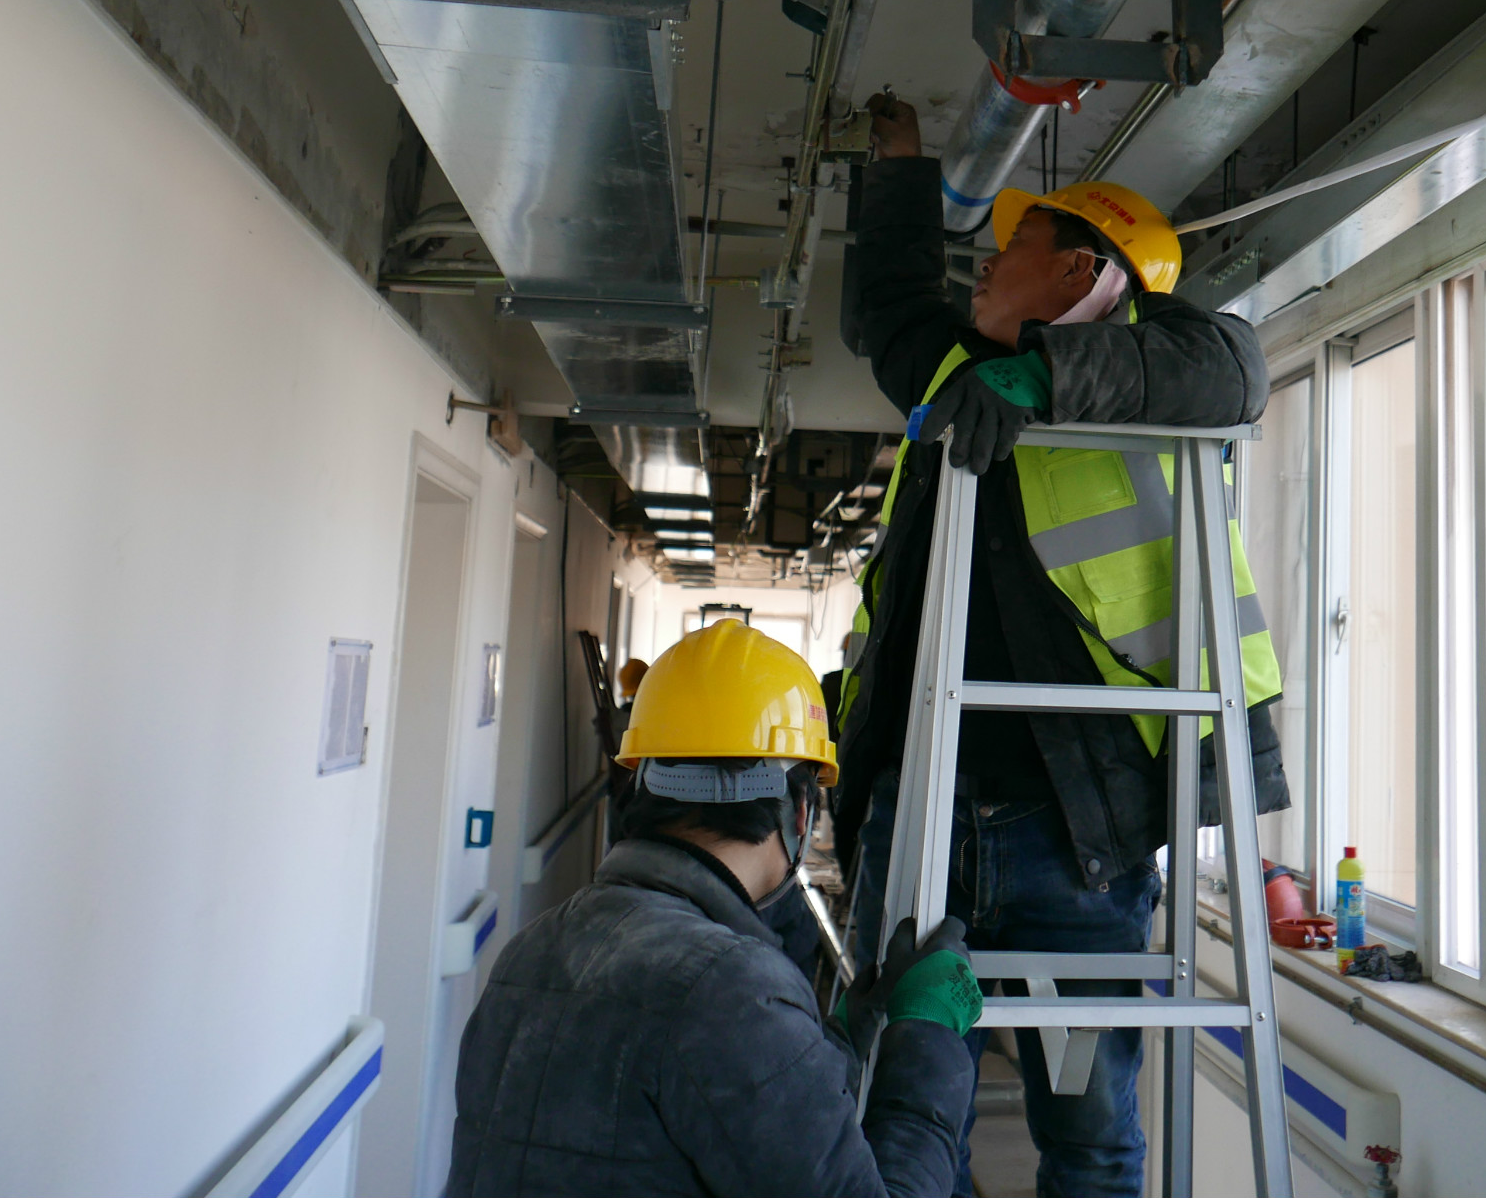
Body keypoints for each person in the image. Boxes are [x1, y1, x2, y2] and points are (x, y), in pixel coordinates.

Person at [833, 92, 1289, 1198]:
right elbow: (890, 303)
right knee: (898, 1117)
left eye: (1017, 247)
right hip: (920, 819)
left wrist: (1043, 377)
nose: (986, 267)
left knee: (1086, 1134)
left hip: (1075, 837)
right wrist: (900, 166)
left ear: (1086, 271)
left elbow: (1238, 365)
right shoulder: (952, 376)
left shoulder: (1162, 376)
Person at [447, 620, 982, 1197]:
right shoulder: (732, 987)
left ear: (645, 782)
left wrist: (843, 1041)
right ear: (801, 812)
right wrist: (927, 1037)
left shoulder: (532, 948)